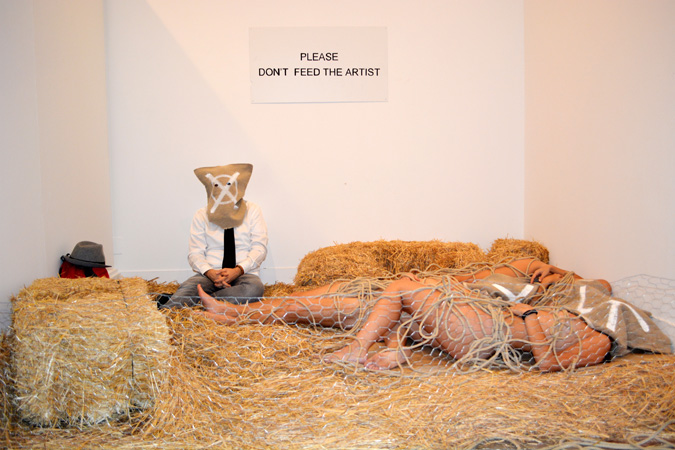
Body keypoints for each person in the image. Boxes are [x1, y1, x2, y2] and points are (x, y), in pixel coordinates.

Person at [196, 257, 672, 372]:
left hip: (483, 332)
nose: (542, 272)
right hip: (467, 317)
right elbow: (462, 285)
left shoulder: (594, 322)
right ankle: (239, 314)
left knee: (400, 291)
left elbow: (551, 360)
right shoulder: (520, 280)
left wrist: (532, 309)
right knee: (346, 297)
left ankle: (363, 348)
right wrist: (540, 278)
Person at [162, 164, 268, 308]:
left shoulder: (253, 211)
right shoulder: (201, 215)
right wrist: (210, 272)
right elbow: (195, 253)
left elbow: (259, 249)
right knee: (187, 290)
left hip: (244, 274)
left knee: (253, 290)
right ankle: (200, 304)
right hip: (210, 274)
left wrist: (238, 270)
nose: (224, 190)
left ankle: (199, 304)